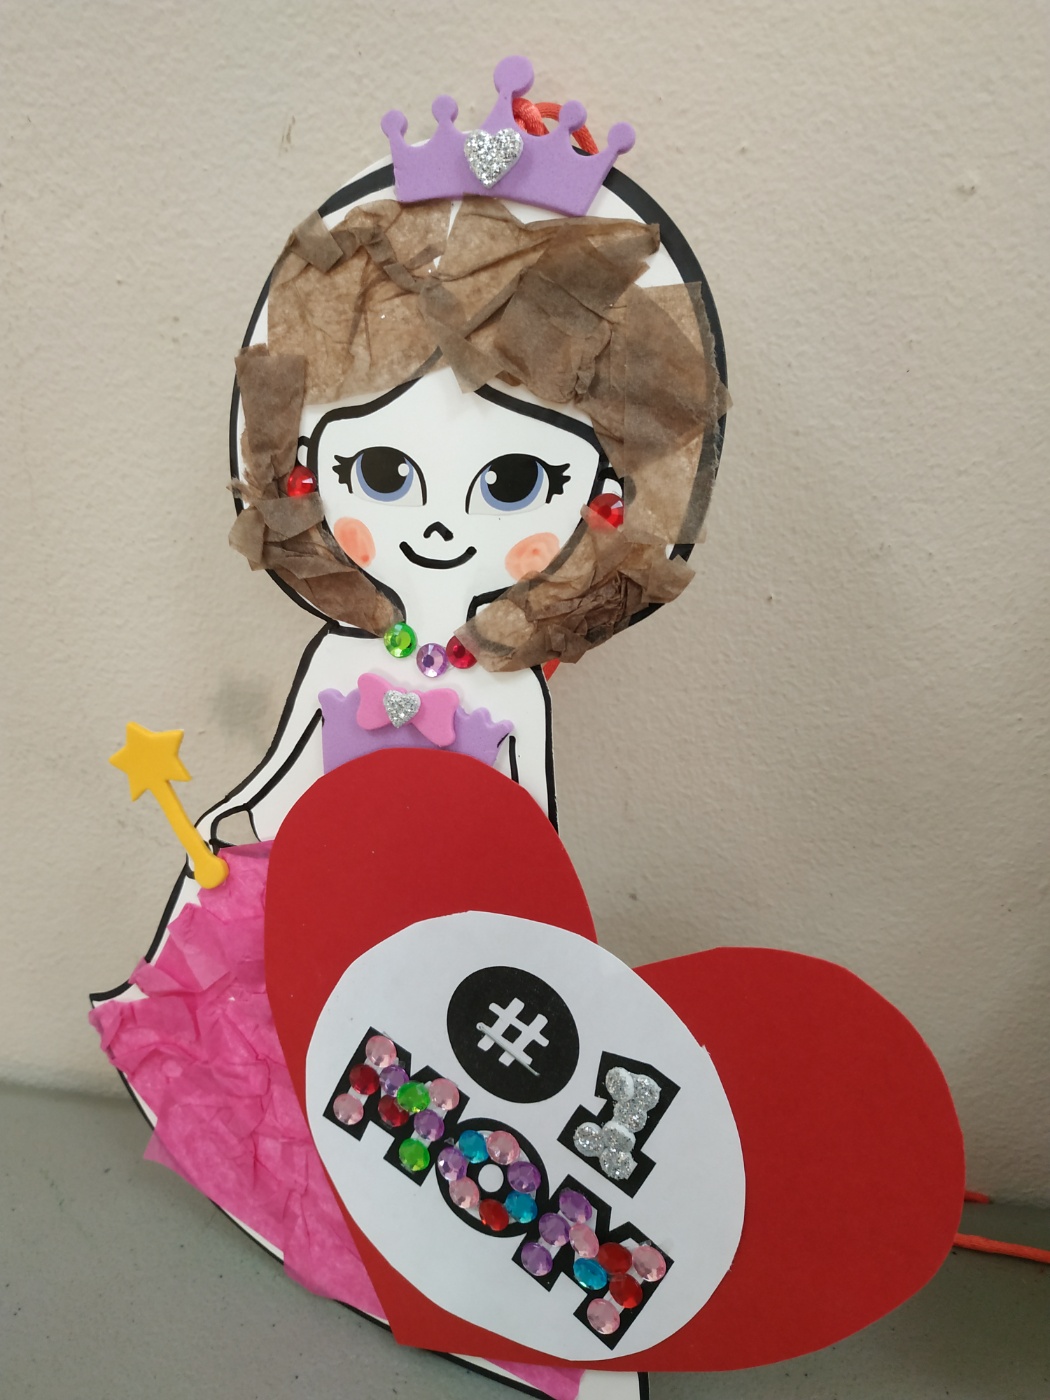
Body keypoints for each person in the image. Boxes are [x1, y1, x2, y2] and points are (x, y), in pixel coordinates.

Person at [91, 124, 726, 1400]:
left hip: (439, 945)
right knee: (275, 1055)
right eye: (382, 471)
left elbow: (531, 851)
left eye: (515, 484)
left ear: (602, 498)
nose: (438, 522)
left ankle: (439, 1265)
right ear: (306, 474)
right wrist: (230, 829)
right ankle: (297, 1199)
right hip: (306, 904)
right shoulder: (343, 661)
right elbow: (279, 780)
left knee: (417, 1112)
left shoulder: (510, 694)